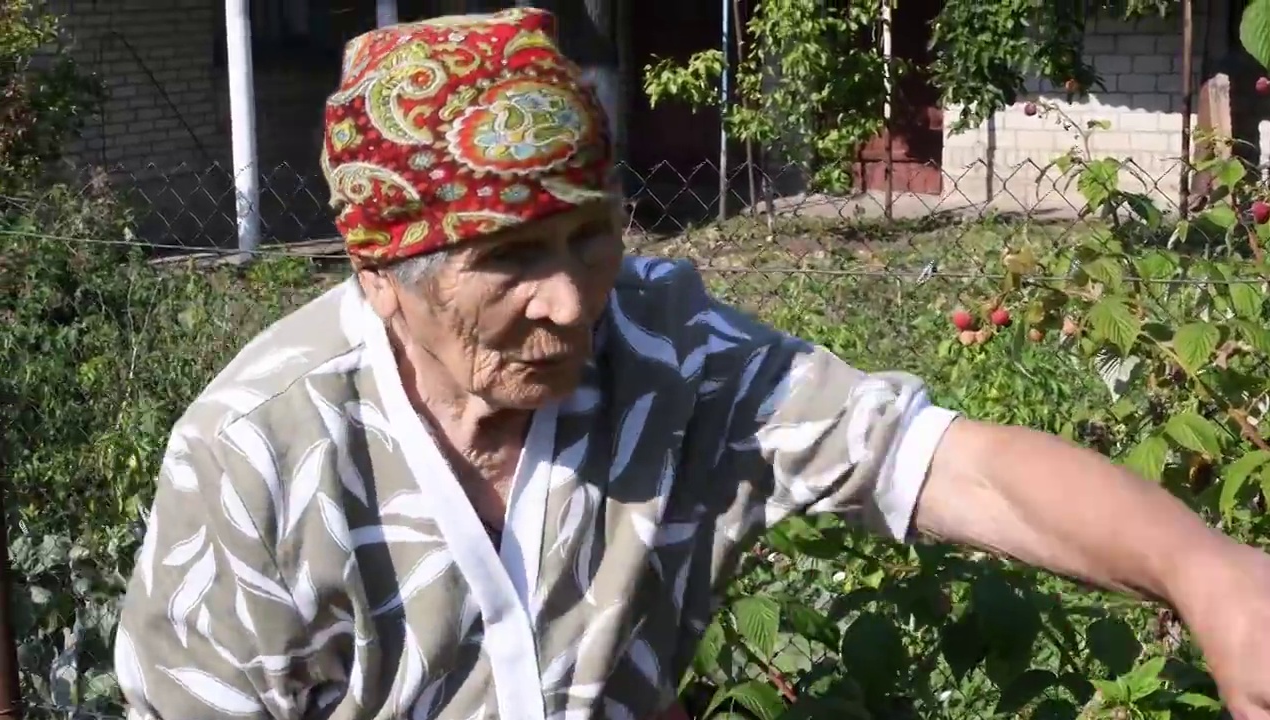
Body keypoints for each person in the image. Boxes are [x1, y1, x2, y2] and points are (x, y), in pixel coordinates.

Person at [113, 8, 1269, 720]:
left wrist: (1204, 570)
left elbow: (945, 466)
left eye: (591, 235)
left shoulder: (669, 354)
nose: (569, 301)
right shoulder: (260, 460)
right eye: (510, 258)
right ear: (378, 271)